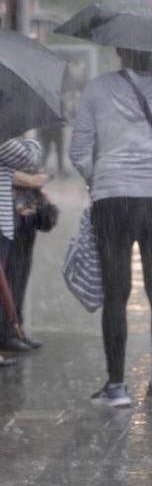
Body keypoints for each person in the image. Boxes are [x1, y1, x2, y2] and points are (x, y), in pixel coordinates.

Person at [69, 49, 152, 409]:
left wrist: (100, 178)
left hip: (112, 200)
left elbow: (79, 150)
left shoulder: (96, 89)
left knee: (116, 292)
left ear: (119, 51)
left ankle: (116, 386)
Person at [0, 134, 42, 359]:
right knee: (9, 277)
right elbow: (28, 158)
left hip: (18, 210)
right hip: (7, 213)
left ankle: (14, 328)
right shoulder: (4, 132)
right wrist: (31, 139)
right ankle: (8, 331)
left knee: (16, 273)